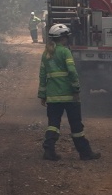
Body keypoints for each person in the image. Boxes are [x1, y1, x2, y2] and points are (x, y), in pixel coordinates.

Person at [38, 23, 100, 161]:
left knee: (53, 124)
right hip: (70, 97)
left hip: (53, 97)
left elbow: (42, 75)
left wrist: (42, 95)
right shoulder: (65, 52)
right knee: (76, 126)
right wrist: (76, 89)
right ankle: (85, 153)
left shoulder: (46, 53)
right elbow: (72, 72)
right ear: (63, 38)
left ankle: (49, 151)